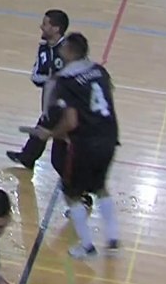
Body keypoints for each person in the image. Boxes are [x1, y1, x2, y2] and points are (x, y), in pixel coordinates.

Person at [31, 31, 121, 259]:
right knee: (100, 186)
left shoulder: (66, 81)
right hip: (109, 136)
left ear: (70, 52)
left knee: (71, 192)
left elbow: (71, 121)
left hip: (86, 143)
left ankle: (88, 247)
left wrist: (50, 133)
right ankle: (113, 239)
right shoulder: (100, 71)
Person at [6, 9, 69, 170]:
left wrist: (54, 81)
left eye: (45, 24)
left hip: (67, 107)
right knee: (43, 128)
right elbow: (35, 76)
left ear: (56, 29)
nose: (41, 27)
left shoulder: (69, 50)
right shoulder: (43, 49)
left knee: (59, 150)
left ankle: (79, 187)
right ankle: (28, 157)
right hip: (51, 103)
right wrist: (51, 80)